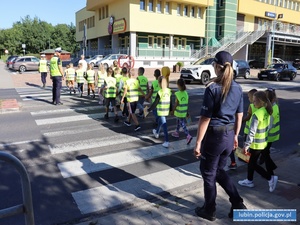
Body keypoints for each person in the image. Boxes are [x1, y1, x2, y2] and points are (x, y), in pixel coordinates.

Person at [193, 51, 246, 221]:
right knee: (218, 171)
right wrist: (236, 136)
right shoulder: (238, 88)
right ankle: (237, 203)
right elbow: (239, 115)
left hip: (215, 137)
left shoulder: (213, 88)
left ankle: (209, 210)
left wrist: (198, 142)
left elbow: (205, 118)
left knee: (208, 173)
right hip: (229, 135)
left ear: (216, 66)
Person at [238, 91, 278, 193]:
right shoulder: (267, 111)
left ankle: (270, 178)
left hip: (256, 144)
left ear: (260, 101)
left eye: (255, 101)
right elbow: (270, 126)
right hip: (263, 142)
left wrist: (246, 146)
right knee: (251, 163)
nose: (253, 103)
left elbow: (251, 132)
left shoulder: (257, 114)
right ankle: (249, 180)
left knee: (252, 164)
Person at [228, 88, 258, 169]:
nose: (248, 98)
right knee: (249, 145)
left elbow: (248, 117)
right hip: (255, 130)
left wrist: (241, 121)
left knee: (245, 144)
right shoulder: (260, 106)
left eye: (249, 97)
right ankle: (244, 157)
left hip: (248, 130)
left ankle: (244, 158)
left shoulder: (251, 106)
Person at [147, 76, 171, 148]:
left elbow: (155, 103)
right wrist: (171, 110)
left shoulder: (160, 92)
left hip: (161, 110)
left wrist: (149, 109)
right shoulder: (169, 91)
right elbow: (171, 101)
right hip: (166, 110)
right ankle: (157, 132)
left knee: (164, 125)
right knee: (161, 122)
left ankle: (167, 141)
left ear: (160, 83)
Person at [259, 88, 279, 169]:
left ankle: (271, 169)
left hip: (268, 136)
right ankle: (270, 167)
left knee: (265, 153)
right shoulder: (275, 106)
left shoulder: (270, 110)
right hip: (273, 135)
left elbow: (269, 125)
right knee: (265, 152)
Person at [171, 78, 193, 145]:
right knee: (178, 122)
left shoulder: (178, 94)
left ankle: (188, 135)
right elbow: (186, 102)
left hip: (179, 112)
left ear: (178, 85)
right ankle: (177, 132)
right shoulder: (186, 93)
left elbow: (176, 104)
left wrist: (173, 110)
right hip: (184, 111)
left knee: (183, 124)